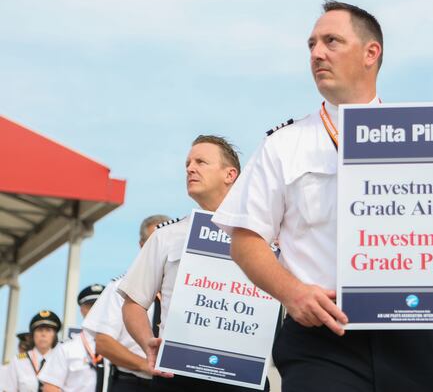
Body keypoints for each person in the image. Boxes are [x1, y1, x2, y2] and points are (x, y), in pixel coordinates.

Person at [212, 0, 433, 392]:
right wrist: (293, 293)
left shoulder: (428, 138)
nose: (317, 53)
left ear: (371, 53)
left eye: (331, 41)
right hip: (324, 338)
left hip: (416, 335)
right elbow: (245, 240)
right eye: (312, 45)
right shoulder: (283, 145)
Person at [120, 135, 269, 391]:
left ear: (230, 174)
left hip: (245, 374)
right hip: (177, 375)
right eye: (188, 163)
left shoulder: (267, 234)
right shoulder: (167, 236)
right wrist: (147, 342)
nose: (190, 168)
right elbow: (133, 301)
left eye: (201, 162)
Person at [82, 215, 170, 392]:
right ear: (142, 245)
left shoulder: (182, 291)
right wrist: (145, 366)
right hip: (133, 383)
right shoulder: (120, 288)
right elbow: (103, 343)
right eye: (155, 243)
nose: (161, 249)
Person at [38, 284, 105, 392]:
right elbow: (50, 387)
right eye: (90, 306)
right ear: (81, 310)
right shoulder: (66, 348)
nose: (95, 310)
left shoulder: (123, 346)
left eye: (100, 305)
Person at [4, 311, 61, 392]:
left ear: (54, 335)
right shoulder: (18, 361)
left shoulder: (62, 360)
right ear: (33, 335)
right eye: (39, 330)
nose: (43, 334)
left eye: (48, 330)